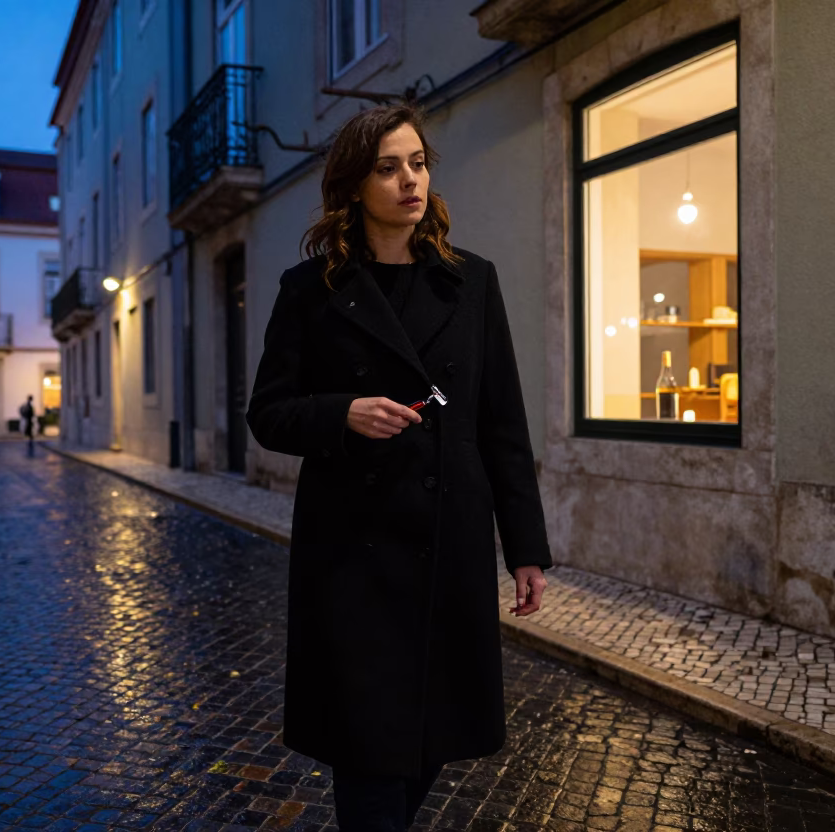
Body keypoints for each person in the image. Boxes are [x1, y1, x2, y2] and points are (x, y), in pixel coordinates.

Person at [245, 105, 552, 832]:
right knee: (370, 746)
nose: (409, 180)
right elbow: (268, 414)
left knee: (432, 734)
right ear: (354, 185)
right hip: (353, 553)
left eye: (417, 163)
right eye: (388, 167)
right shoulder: (309, 290)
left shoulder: (471, 283)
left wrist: (526, 549)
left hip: (450, 540)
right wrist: (342, 413)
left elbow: (501, 423)